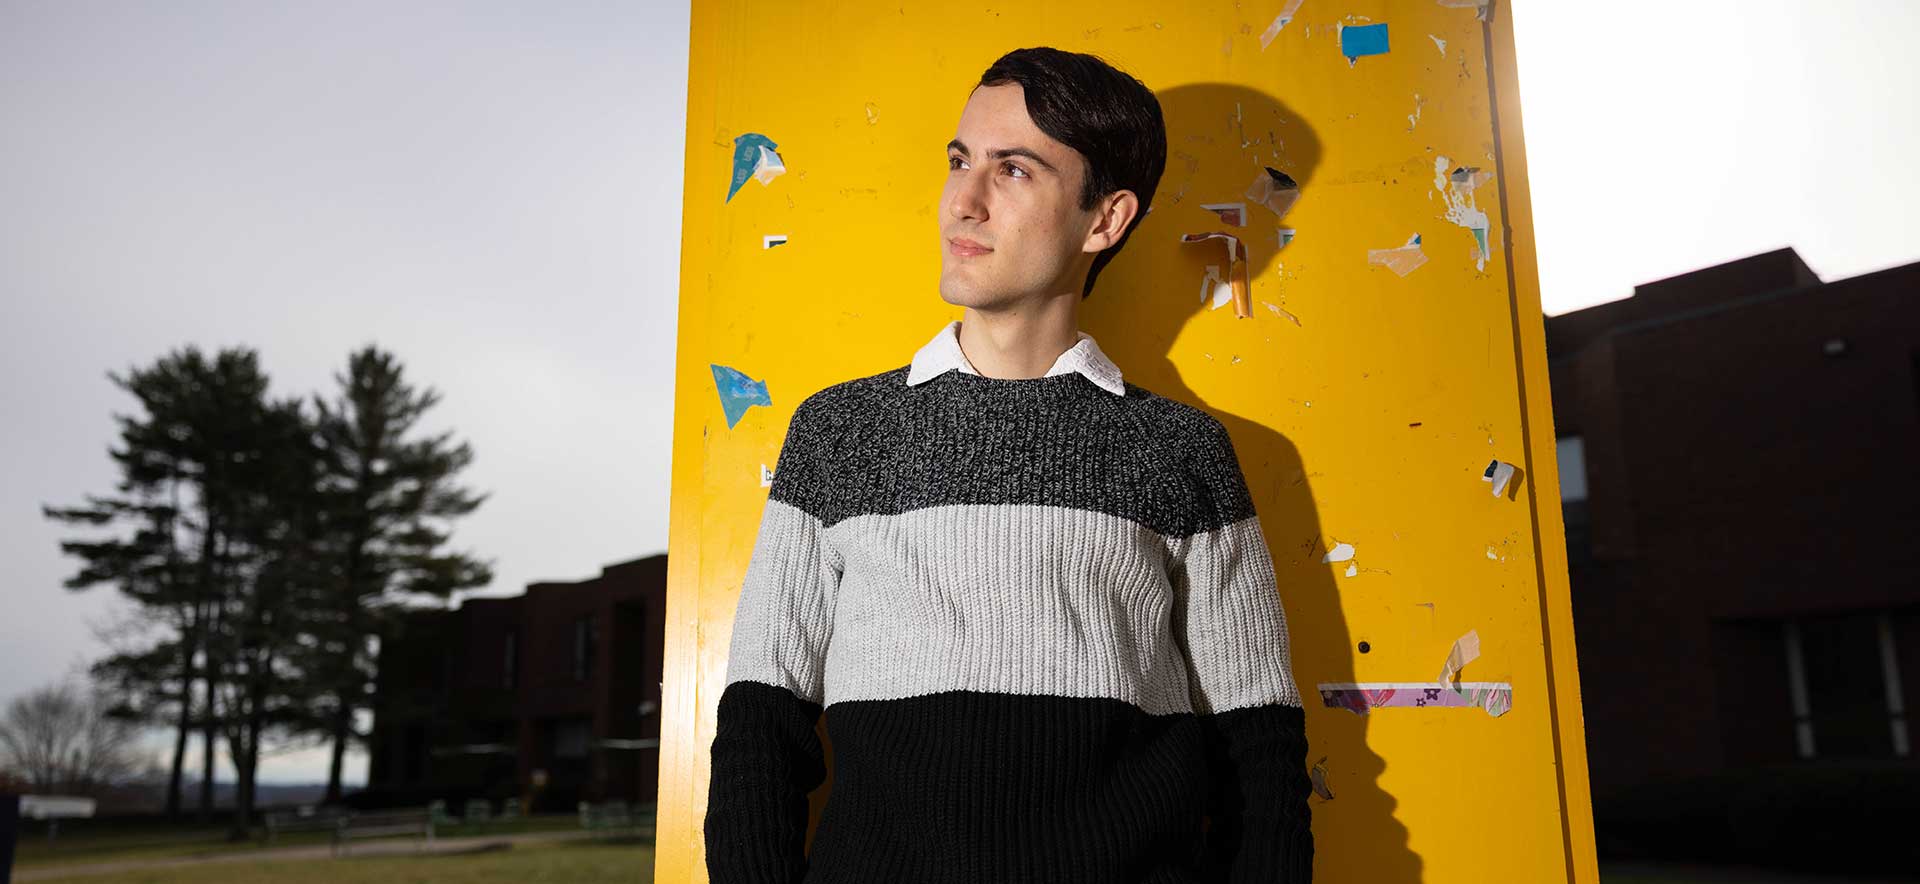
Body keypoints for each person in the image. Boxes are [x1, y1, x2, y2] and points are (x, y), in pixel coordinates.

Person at [705, 46, 1312, 883]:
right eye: (960, 161)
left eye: (1014, 170)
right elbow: (757, 730)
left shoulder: (1182, 450)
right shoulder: (840, 430)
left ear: (1105, 220)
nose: (964, 199)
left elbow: (1261, 752)